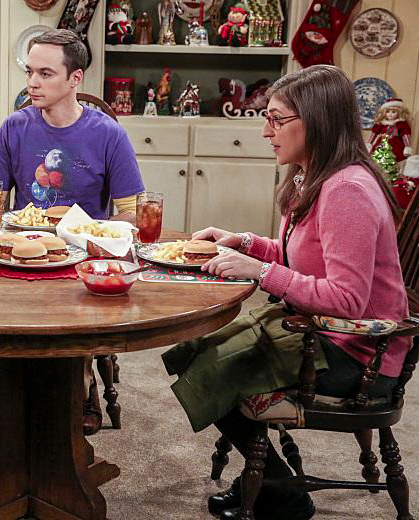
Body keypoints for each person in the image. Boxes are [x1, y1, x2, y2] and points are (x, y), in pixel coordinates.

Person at [161, 65, 409, 520]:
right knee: (196, 352)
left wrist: (259, 271)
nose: (265, 130)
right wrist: (246, 242)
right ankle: (272, 480)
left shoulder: (347, 191)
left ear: (314, 121)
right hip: (322, 331)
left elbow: (347, 299)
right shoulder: (314, 176)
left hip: (354, 351)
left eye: (276, 119)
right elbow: (305, 256)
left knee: (219, 372)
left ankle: (283, 495)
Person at [0, 29, 144, 435]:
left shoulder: (109, 134)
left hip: (83, 255)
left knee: (75, 309)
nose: (32, 83)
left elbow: (131, 215)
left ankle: (81, 384)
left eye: (46, 74)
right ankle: (3, 392)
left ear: (75, 79)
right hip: (23, 250)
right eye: (30, 72)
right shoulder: (14, 128)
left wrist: (91, 233)